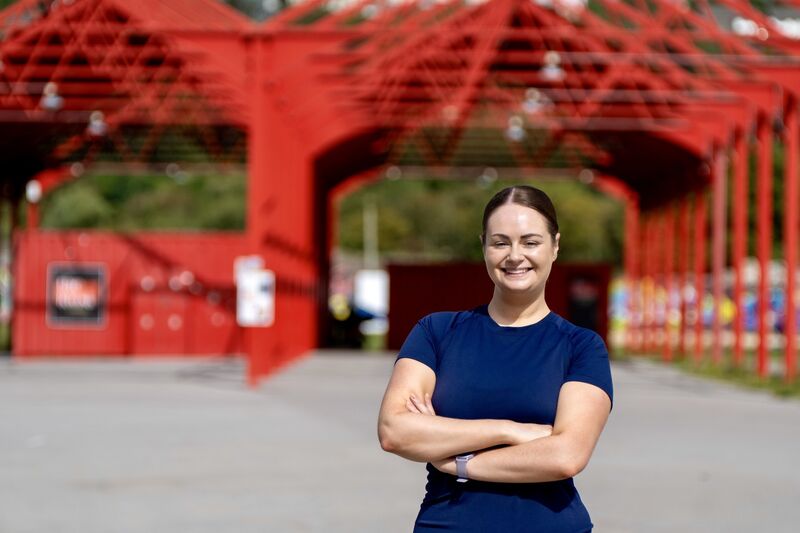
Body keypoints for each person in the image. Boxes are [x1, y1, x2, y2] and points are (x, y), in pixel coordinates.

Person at [377, 185, 613, 532]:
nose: (515, 255)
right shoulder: (437, 332)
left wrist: (457, 462)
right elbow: (394, 431)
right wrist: (511, 431)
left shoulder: (581, 347)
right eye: (501, 242)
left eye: (530, 242)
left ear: (555, 246)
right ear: (484, 246)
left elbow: (566, 456)